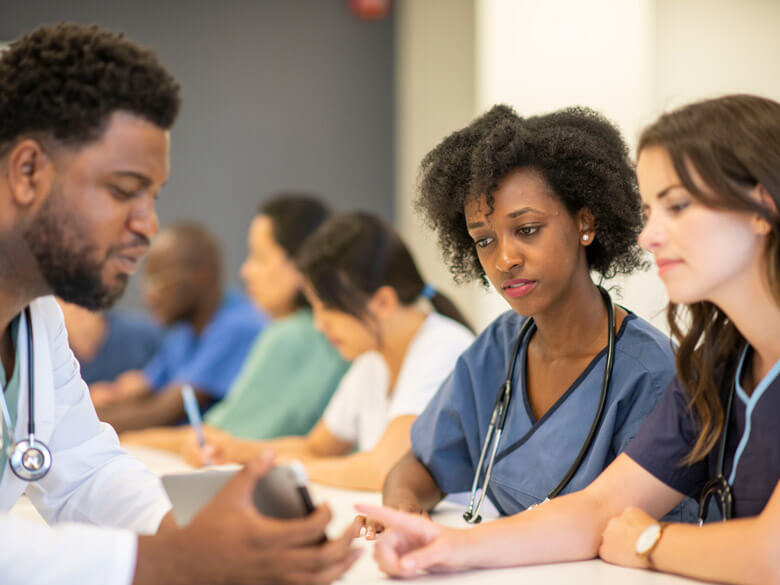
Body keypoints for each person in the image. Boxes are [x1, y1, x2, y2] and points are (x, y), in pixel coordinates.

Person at [359, 95, 780, 585]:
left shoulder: (653, 367)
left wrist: (649, 542)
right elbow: (601, 508)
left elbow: (771, 554)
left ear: (762, 206)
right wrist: (446, 547)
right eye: (649, 210)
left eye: (678, 206)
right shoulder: (715, 364)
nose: (650, 236)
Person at [0, 23, 356, 585]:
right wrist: (173, 561)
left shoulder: (34, 319)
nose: (147, 225)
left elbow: (86, 474)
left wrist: (199, 535)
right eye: (123, 190)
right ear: (27, 172)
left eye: (153, 196)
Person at [364, 104, 692, 538]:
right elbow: (420, 463)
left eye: (528, 229)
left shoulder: (651, 376)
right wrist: (403, 509)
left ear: (585, 223)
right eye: (484, 240)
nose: (504, 260)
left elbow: (637, 534)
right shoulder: (501, 346)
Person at [185, 212, 475, 491]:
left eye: (328, 308)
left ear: (383, 302)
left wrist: (281, 470)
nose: (319, 325)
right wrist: (238, 451)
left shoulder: (443, 347)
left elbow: (386, 469)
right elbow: (316, 448)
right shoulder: (372, 361)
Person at [120, 194, 349, 452]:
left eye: (259, 257)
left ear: (299, 266)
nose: (245, 270)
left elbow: (218, 437)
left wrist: (126, 440)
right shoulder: (303, 333)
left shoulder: (293, 336)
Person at [94, 222, 267, 433]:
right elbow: (144, 392)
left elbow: (162, 411)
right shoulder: (183, 331)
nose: (150, 295)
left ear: (200, 277)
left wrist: (77, 426)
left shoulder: (238, 327)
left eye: (159, 281)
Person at [57, 298, 162, 385]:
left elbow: (174, 371)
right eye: (66, 300)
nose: (77, 307)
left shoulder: (142, 335)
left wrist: (149, 379)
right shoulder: (52, 357)